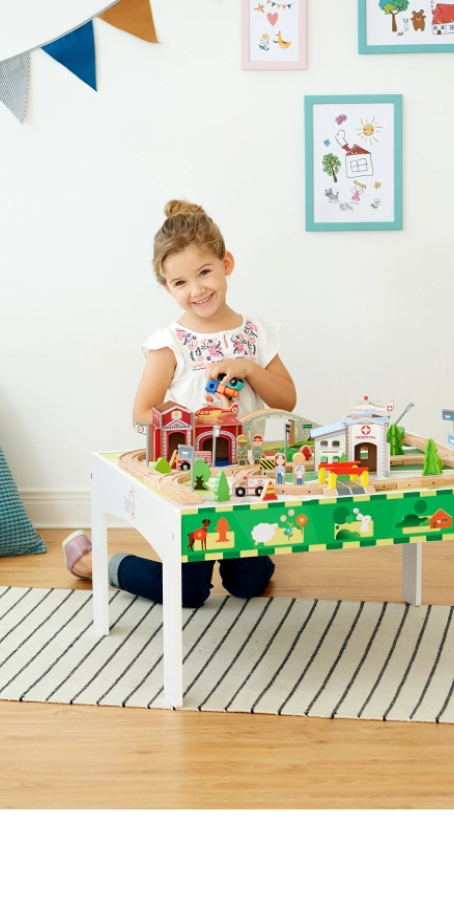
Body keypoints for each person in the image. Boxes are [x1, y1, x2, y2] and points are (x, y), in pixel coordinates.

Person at [64, 198, 297, 607]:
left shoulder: (256, 334)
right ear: (167, 287)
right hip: (192, 482)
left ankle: (247, 560)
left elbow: (288, 400)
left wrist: (249, 368)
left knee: (248, 584)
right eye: (181, 283)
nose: (197, 290)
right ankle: (94, 563)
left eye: (205, 272)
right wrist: (190, 425)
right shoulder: (170, 343)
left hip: (247, 476)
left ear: (227, 263)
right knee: (188, 592)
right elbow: (141, 413)